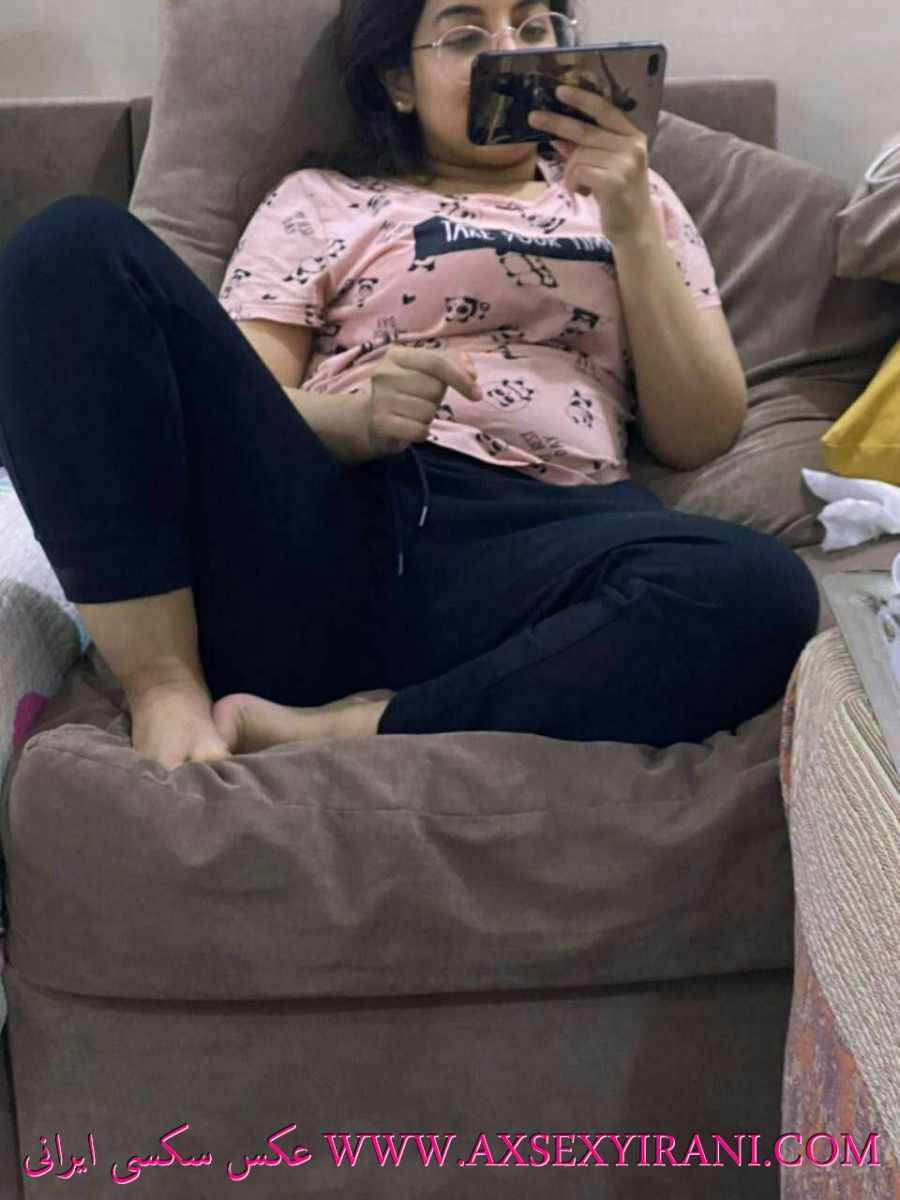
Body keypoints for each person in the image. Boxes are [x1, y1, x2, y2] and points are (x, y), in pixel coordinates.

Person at [0, 0, 819, 772]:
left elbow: (699, 433)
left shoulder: (635, 199)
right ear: (399, 81)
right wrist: (356, 419)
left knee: (762, 591)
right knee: (67, 245)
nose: (509, 53)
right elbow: (238, 407)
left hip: (544, 539)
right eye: (466, 35)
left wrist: (632, 220)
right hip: (331, 522)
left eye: (533, 26)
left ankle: (359, 725)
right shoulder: (321, 200)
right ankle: (164, 685)